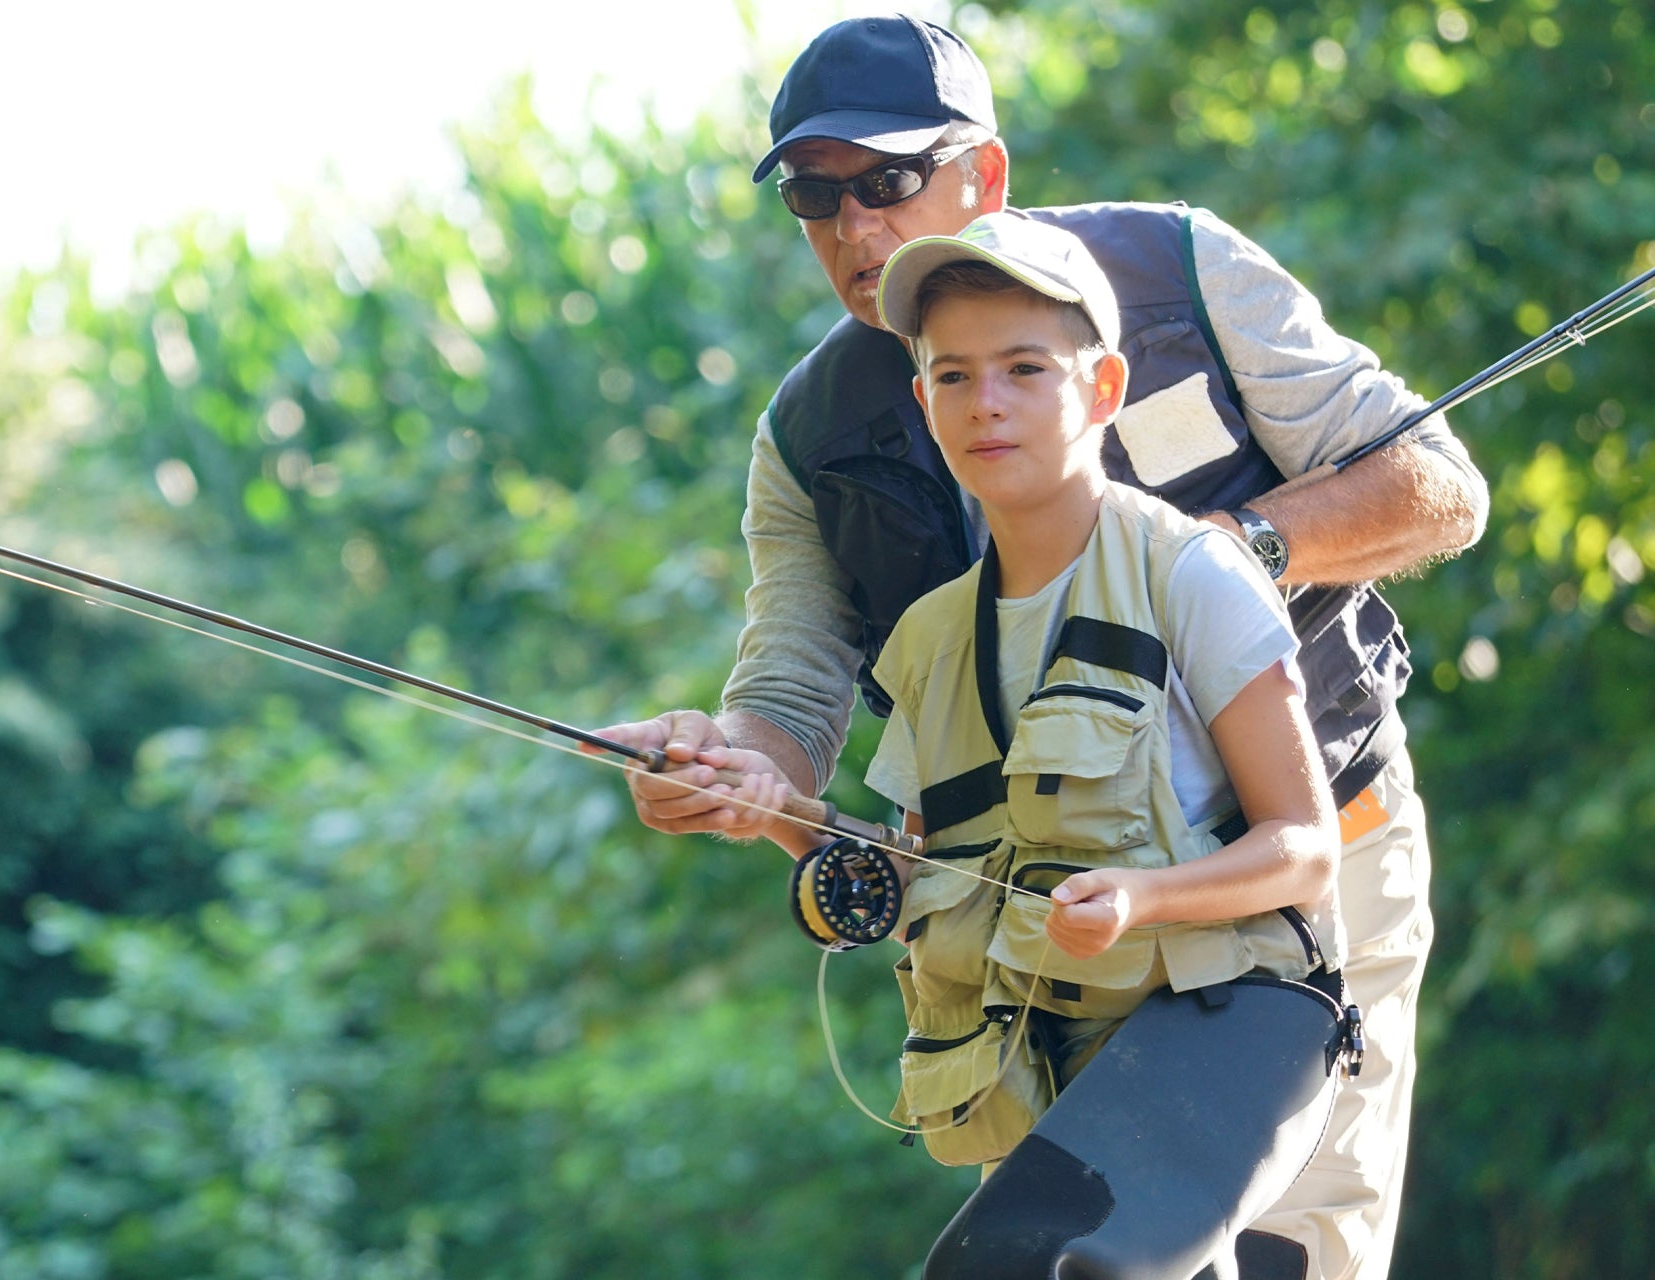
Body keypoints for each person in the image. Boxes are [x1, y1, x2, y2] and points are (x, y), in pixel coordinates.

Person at [596, 14, 1489, 1280]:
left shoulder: (1180, 271)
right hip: (1057, 940)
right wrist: (724, 762)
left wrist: (1227, 556)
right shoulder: (809, 437)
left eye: (890, 181)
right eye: (815, 193)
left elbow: (1438, 487)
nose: (854, 226)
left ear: (989, 175)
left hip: (1316, 861)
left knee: (1296, 1262)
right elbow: (787, 694)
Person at [776, 207, 1352, 1280]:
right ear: (923, 402)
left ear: (1103, 389)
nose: (986, 403)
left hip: (1218, 1030)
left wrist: (1143, 899)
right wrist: (762, 809)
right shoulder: (928, 638)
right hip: (1047, 1077)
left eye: (1024, 368)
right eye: (953, 376)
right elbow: (911, 877)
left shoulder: (1194, 573)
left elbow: (1306, 847)